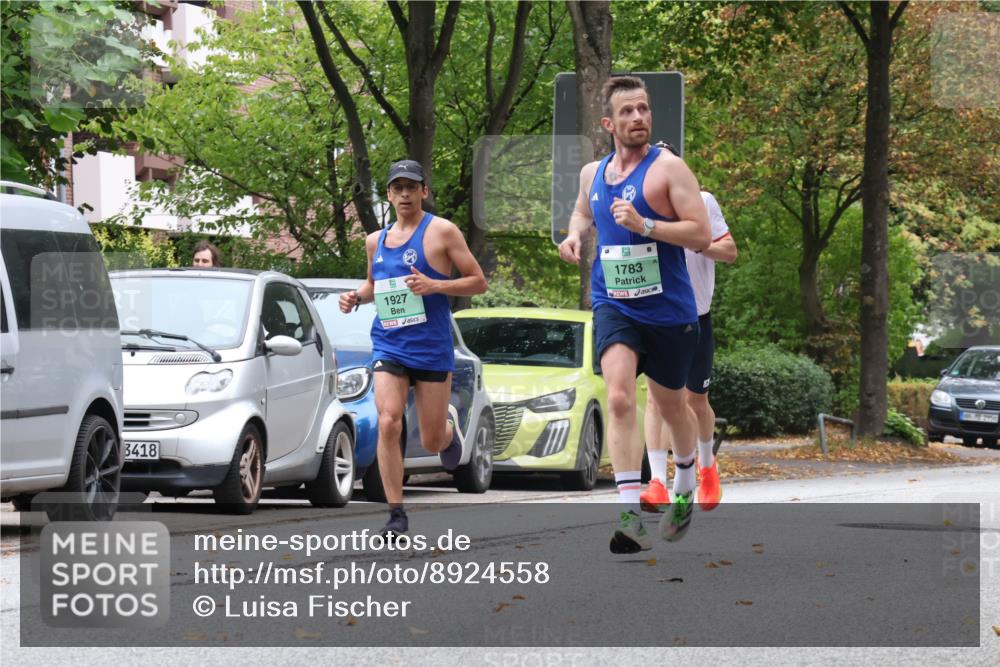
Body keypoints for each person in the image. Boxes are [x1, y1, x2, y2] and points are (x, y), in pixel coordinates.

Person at [558, 76, 711, 553]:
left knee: (672, 406)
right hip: (613, 302)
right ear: (609, 123)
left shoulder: (669, 169)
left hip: (667, 309)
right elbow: (583, 212)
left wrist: (647, 225)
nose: (638, 117)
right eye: (627, 111)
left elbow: (701, 234)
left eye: (643, 108)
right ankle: (629, 516)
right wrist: (574, 234)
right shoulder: (592, 174)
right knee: (620, 397)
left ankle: (684, 482)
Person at [339, 159, 487, 538]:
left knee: (433, 440)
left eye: (411, 187)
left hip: (431, 346)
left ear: (423, 191)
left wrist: (436, 286)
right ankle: (396, 513)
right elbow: (374, 284)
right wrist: (356, 296)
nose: (404, 194)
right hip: (389, 343)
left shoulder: (443, 232)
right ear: (389, 195)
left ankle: (449, 431)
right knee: (389, 421)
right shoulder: (375, 241)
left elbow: (478, 281)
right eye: (397, 188)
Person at [641, 190, 738, 514]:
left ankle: (707, 466)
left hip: (695, 317)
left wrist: (696, 243)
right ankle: (657, 482)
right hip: (657, 317)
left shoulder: (702, 201)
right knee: (657, 399)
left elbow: (729, 251)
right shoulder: (639, 205)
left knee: (695, 401)